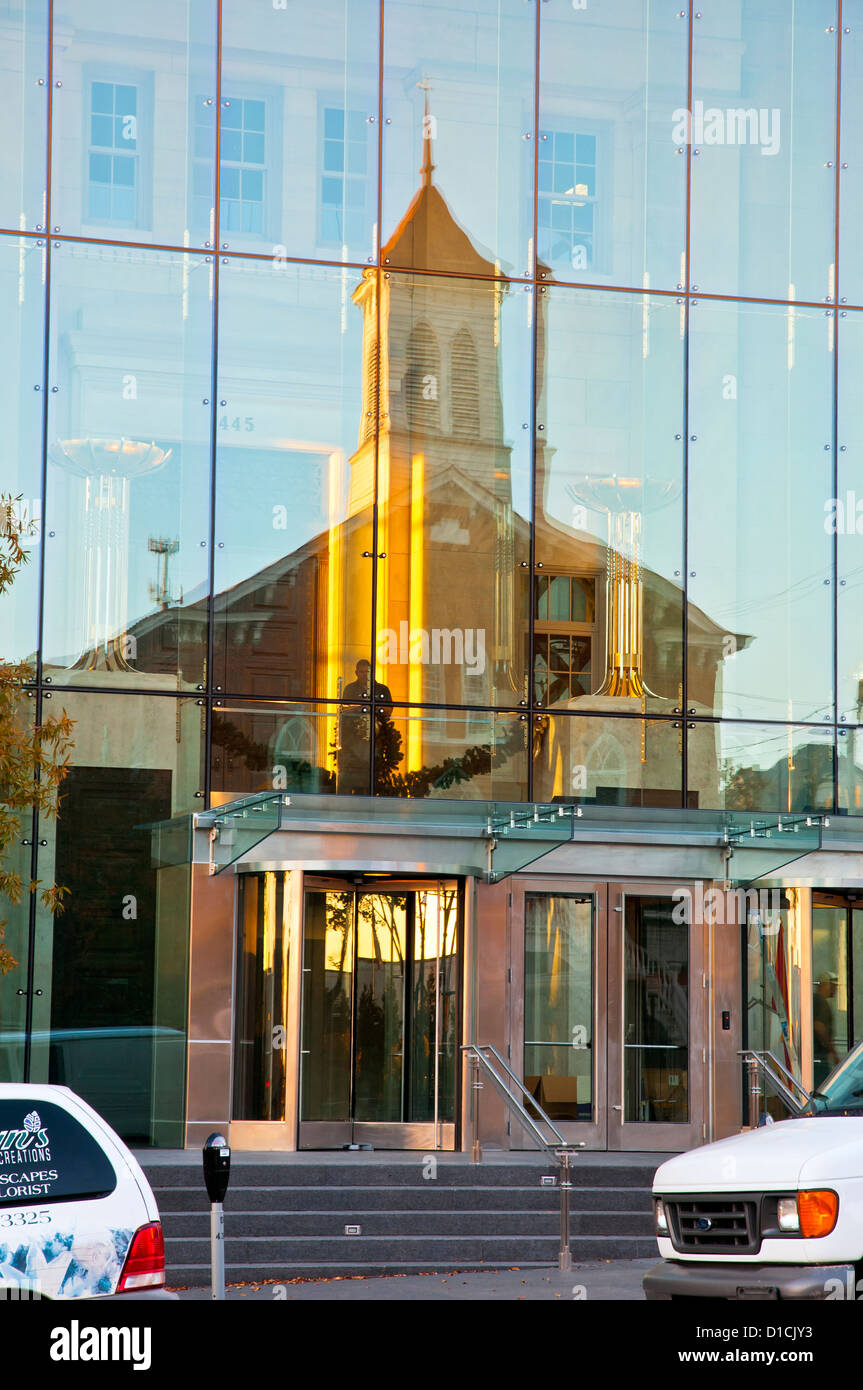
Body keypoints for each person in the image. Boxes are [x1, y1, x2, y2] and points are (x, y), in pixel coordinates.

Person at [337, 660, 393, 793]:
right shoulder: (350, 689)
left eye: (366, 672)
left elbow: (389, 710)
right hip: (352, 739)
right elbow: (344, 710)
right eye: (361, 672)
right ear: (356, 673)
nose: (364, 675)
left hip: (376, 739)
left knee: (372, 771)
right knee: (352, 774)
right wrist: (360, 708)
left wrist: (374, 708)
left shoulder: (382, 689)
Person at [813, 971, 840, 1088]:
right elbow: (819, 1026)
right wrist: (833, 1051)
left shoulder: (814, 1000)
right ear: (824, 985)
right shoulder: (821, 1002)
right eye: (833, 985)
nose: (835, 989)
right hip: (820, 1058)